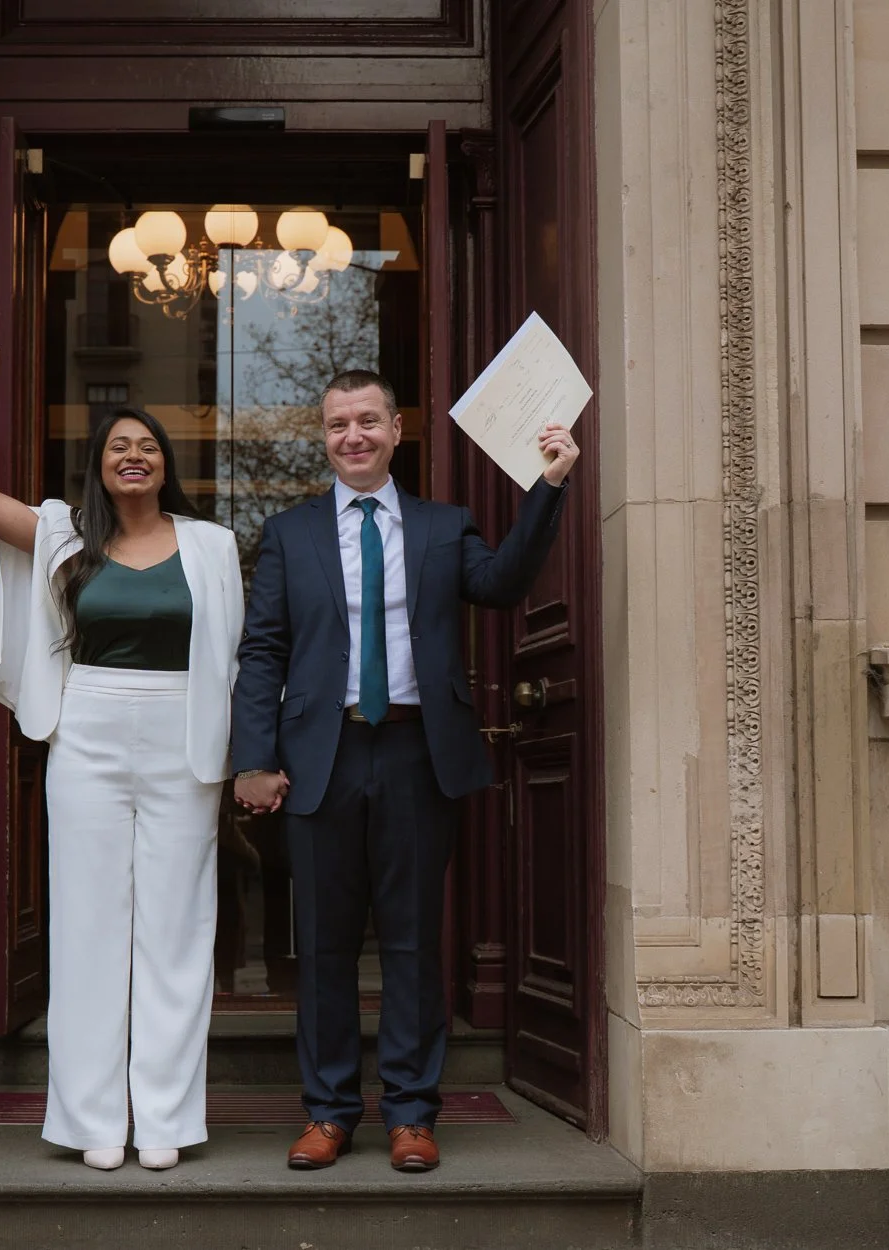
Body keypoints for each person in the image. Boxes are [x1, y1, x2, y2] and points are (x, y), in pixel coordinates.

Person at [230, 369, 577, 1173]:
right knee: (322, 945)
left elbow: (502, 584)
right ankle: (329, 1112)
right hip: (324, 755)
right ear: (323, 438)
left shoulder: (441, 525)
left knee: (415, 943)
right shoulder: (290, 533)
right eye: (336, 425)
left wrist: (549, 485)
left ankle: (414, 1114)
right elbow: (264, 651)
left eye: (367, 422)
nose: (352, 436)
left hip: (420, 754)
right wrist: (254, 757)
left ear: (396, 430)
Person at [0, 340, 245, 1172]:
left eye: (148, 446)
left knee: (177, 931)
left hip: (182, 736)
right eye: (119, 445)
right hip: (87, 727)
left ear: (165, 467)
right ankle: (92, 1122)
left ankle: (163, 1119)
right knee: (87, 926)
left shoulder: (212, 546)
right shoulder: (61, 533)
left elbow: (231, 655)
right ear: (100, 465)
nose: (134, 454)